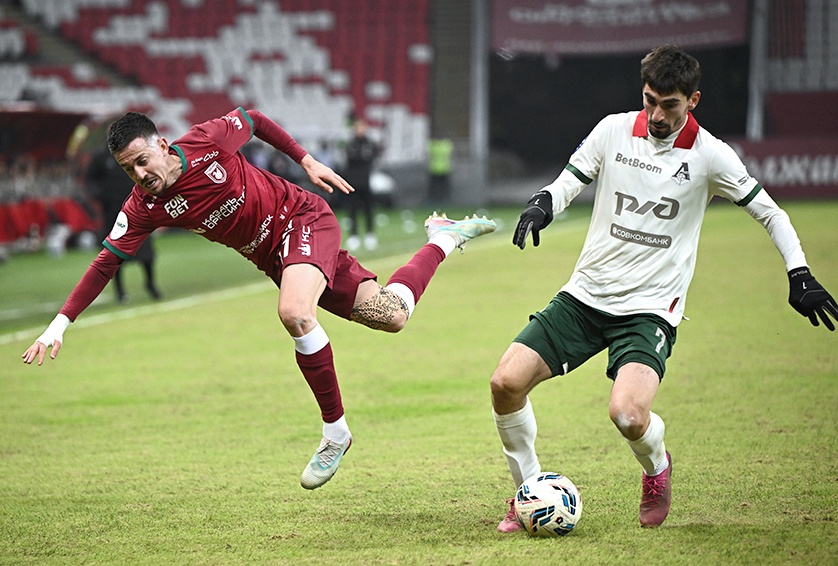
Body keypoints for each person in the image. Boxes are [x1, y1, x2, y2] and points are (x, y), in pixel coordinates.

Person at [22, 107, 496, 490]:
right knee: (391, 315)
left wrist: (305, 160)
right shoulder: (143, 206)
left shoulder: (207, 140)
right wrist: (59, 325)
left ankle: (336, 432)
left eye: (143, 161)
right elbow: (105, 262)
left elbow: (255, 119)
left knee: (294, 312)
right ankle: (444, 237)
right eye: (129, 170)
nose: (140, 174)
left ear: (162, 145)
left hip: (303, 219)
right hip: (275, 258)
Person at [490, 44, 838, 531]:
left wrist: (798, 272)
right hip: (586, 296)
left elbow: (771, 213)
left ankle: (657, 468)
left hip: (650, 310)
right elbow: (569, 181)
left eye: (669, 104)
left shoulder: (711, 156)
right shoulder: (613, 130)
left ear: (692, 100)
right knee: (505, 383)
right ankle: (528, 492)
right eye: (649, 100)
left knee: (628, 416)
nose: (656, 114)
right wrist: (543, 203)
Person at [86, 145, 161, 303]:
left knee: (146, 252)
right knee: (115, 253)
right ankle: (120, 291)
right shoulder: (102, 157)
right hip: (113, 213)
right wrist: (100, 195)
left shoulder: (132, 152)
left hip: (137, 208)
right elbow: (90, 179)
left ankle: (150, 284)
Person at [343, 119, 380, 251]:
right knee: (352, 209)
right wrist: (362, 157)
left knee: (368, 208)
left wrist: (362, 158)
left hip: (366, 181)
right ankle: (353, 235)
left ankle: (370, 234)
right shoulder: (351, 144)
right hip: (352, 181)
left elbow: (372, 157)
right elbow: (351, 159)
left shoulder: (369, 143)